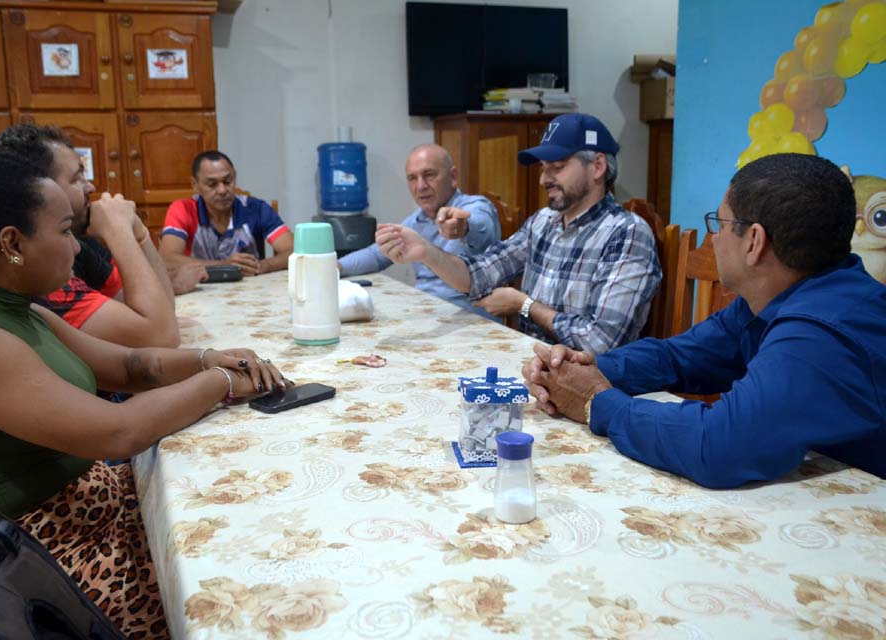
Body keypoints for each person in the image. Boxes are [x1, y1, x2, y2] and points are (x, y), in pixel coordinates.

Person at [0, 140, 291, 636]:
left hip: (92, 512)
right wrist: (221, 382)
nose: (78, 247)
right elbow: (118, 432)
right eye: (64, 232)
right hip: (50, 560)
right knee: (242, 591)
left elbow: (129, 366)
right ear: (12, 243)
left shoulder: (20, 311)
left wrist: (210, 358)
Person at [523, 153, 886, 488]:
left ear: (754, 241)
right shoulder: (775, 297)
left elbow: (718, 445)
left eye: (720, 223)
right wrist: (579, 369)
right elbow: (677, 357)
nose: (714, 238)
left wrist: (595, 402)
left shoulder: (824, 330)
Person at [377, 114, 660, 351]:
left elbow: (599, 342)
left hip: (585, 383)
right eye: (543, 168)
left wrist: (524, 305)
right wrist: (426, 252)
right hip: (529, 363)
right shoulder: (544, 222)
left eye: (558, 167)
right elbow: (478, 275)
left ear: (597, 166)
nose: (543, 179)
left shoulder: (626, 233)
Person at [0, 124, 198, 348]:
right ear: (41, 189)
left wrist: (140, 233)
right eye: (76, 178)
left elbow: (163, 310)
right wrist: (119, 231)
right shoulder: (34, 268)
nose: (90, 187)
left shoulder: (77, 244)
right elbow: (161, 337)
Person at [338, 144, 500, 318]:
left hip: (471, 318)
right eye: (412, 178)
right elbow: (376, 255)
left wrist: (463, 227)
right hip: (425, 311)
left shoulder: (476, 206)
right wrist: (335, 267)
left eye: (429, 175)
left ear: (453, 177)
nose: (421, 186)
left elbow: (480, 225)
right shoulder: (416, 219)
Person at [159, 150, 294, 275]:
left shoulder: (257, 209)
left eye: (227, 181)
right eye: (212, 184)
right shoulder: (184, 210)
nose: (222, 190)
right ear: (195, 185)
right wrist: (224, 265)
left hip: (251, 287)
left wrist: (264, 265)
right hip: (200, 287)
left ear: (235, 177)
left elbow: (295, 252)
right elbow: (167, 260)